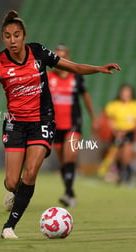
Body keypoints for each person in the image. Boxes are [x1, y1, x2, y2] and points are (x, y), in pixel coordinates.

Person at [0, 10, 120, 239]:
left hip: (42, 121)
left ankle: (9, 227)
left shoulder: (38, 52)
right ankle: (15, 194)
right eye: (8, 36)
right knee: (12, 182)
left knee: (30, 173)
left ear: (24, 35)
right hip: (15, 125)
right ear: (3, 38)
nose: (12, 40)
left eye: (17, 35)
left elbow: (74, 67)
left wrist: (98, 68)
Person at [47, 45, 95, 207]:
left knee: (70, 156)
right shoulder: (48, 77)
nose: (59, 60)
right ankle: (70, 191)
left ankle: (67, 193)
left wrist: (93, 117)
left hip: (73, 124)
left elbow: (86, 98)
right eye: (57, 57)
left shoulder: (76, 77)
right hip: (55, 126)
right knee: (62, 162)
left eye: (62, 57)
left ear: (67, 58)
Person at [104, 84, 136, 185]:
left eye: (127, 93)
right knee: (118, 155)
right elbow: (110, 119)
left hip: (129, 132)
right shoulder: (114, 105)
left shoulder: (135, 105)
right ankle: (120, 172)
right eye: (123, 92)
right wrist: (116, 131)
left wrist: (126, 131)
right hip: (117, 133)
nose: (125, 95)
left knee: (127, 153)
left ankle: (127, 174)